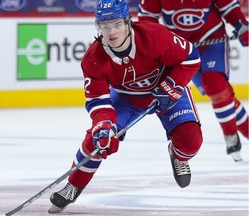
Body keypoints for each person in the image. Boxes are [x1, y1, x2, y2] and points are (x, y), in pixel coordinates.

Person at [48, 0, 203, 213]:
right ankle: (73, 185)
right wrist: (104, 124)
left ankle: (178, 155)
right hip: (126, 98)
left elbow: (190, 57)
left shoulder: (154, 35)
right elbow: (98, 100)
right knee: (97, 139)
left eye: (117, 25)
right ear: (98, 27)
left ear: (128, 23)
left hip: (166, 91)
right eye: (105, 26)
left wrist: (172, 86)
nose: (111, 32)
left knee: (191, 140)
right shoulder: (93, 59)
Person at [138, 0, 249, 162]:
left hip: (212, 39)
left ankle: (230, 135)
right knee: (220, 95)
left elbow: (229, 7)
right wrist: (150, 44)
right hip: (180, 48)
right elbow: (147, 19)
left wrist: (240, 24)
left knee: (215, 84)